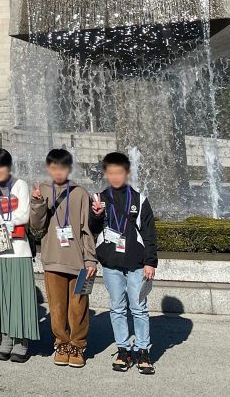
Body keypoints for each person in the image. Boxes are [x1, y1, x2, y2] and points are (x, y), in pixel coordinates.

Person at [89, 151, 158, 375]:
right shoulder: (100, 198)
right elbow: (92, 230)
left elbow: (149, 233)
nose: (116, 177)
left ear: (127, 173)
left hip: (137, 263)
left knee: (139, 308)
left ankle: (143, 351)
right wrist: (96, 215)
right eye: (111, 173)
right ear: (106, 174)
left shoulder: (139, 199)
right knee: (117, 307)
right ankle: (123, 349)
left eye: (120, 172)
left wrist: (151, 262)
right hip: (110, 263)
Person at [28, 148, 98, 367]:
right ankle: (61, 343)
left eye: (63, 167)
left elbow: (87, 230)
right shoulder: (43, 191)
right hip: (53, 259)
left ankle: (77, 345)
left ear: (69, 168)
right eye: (54, 167)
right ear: (49, 168)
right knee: (57, 307)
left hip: (79, 263)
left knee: (79, 306)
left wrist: (90, 260)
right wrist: (37, 203)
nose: (58, 172)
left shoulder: (80, 193)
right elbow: (36, 226)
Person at [0, 147, 39, 362]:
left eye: (1, 166)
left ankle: (21, 341)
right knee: (0, 297)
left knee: (18, 297)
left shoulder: (19, 185)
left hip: (18, 250)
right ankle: (5, 339)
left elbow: (23, 215)